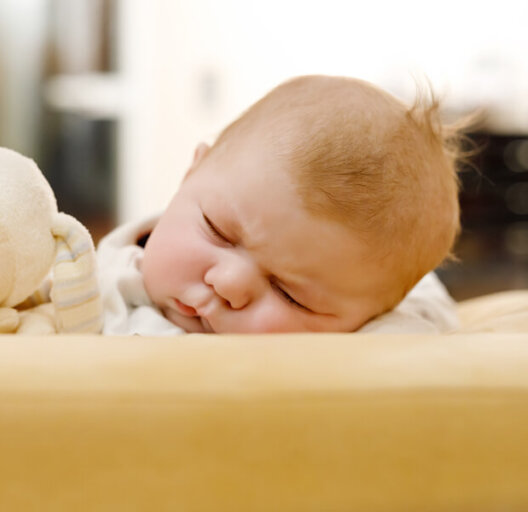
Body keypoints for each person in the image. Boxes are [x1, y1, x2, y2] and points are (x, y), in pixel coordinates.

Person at [97, 75, 468, 335]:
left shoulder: (393, 330)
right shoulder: (84, 279)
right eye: (218, 232)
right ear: (191, 173)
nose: (227, 284)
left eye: (290, 295)